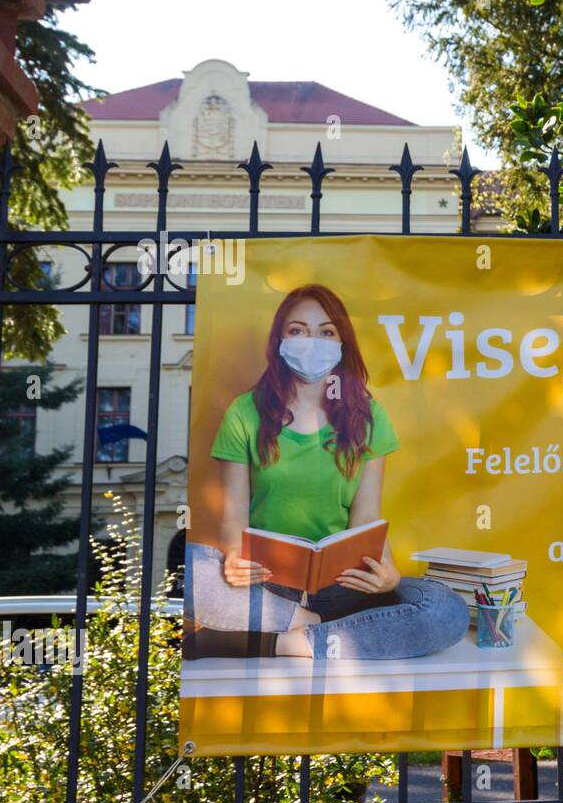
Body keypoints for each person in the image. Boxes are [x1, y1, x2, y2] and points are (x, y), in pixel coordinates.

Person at [183, 283, 468, 661]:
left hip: (344, 587)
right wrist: (235, 557)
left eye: (326, 332)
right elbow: (234, 516)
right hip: (268, 587)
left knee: (444, 611)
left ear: (341, 344)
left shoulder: (369, 416)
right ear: (279, 341)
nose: (311, 341)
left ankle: (274, 642)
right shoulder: (245, 412)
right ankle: (317, 627)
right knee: (189, 571)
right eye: (298, 330)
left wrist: (389, 575)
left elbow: (366, 516)